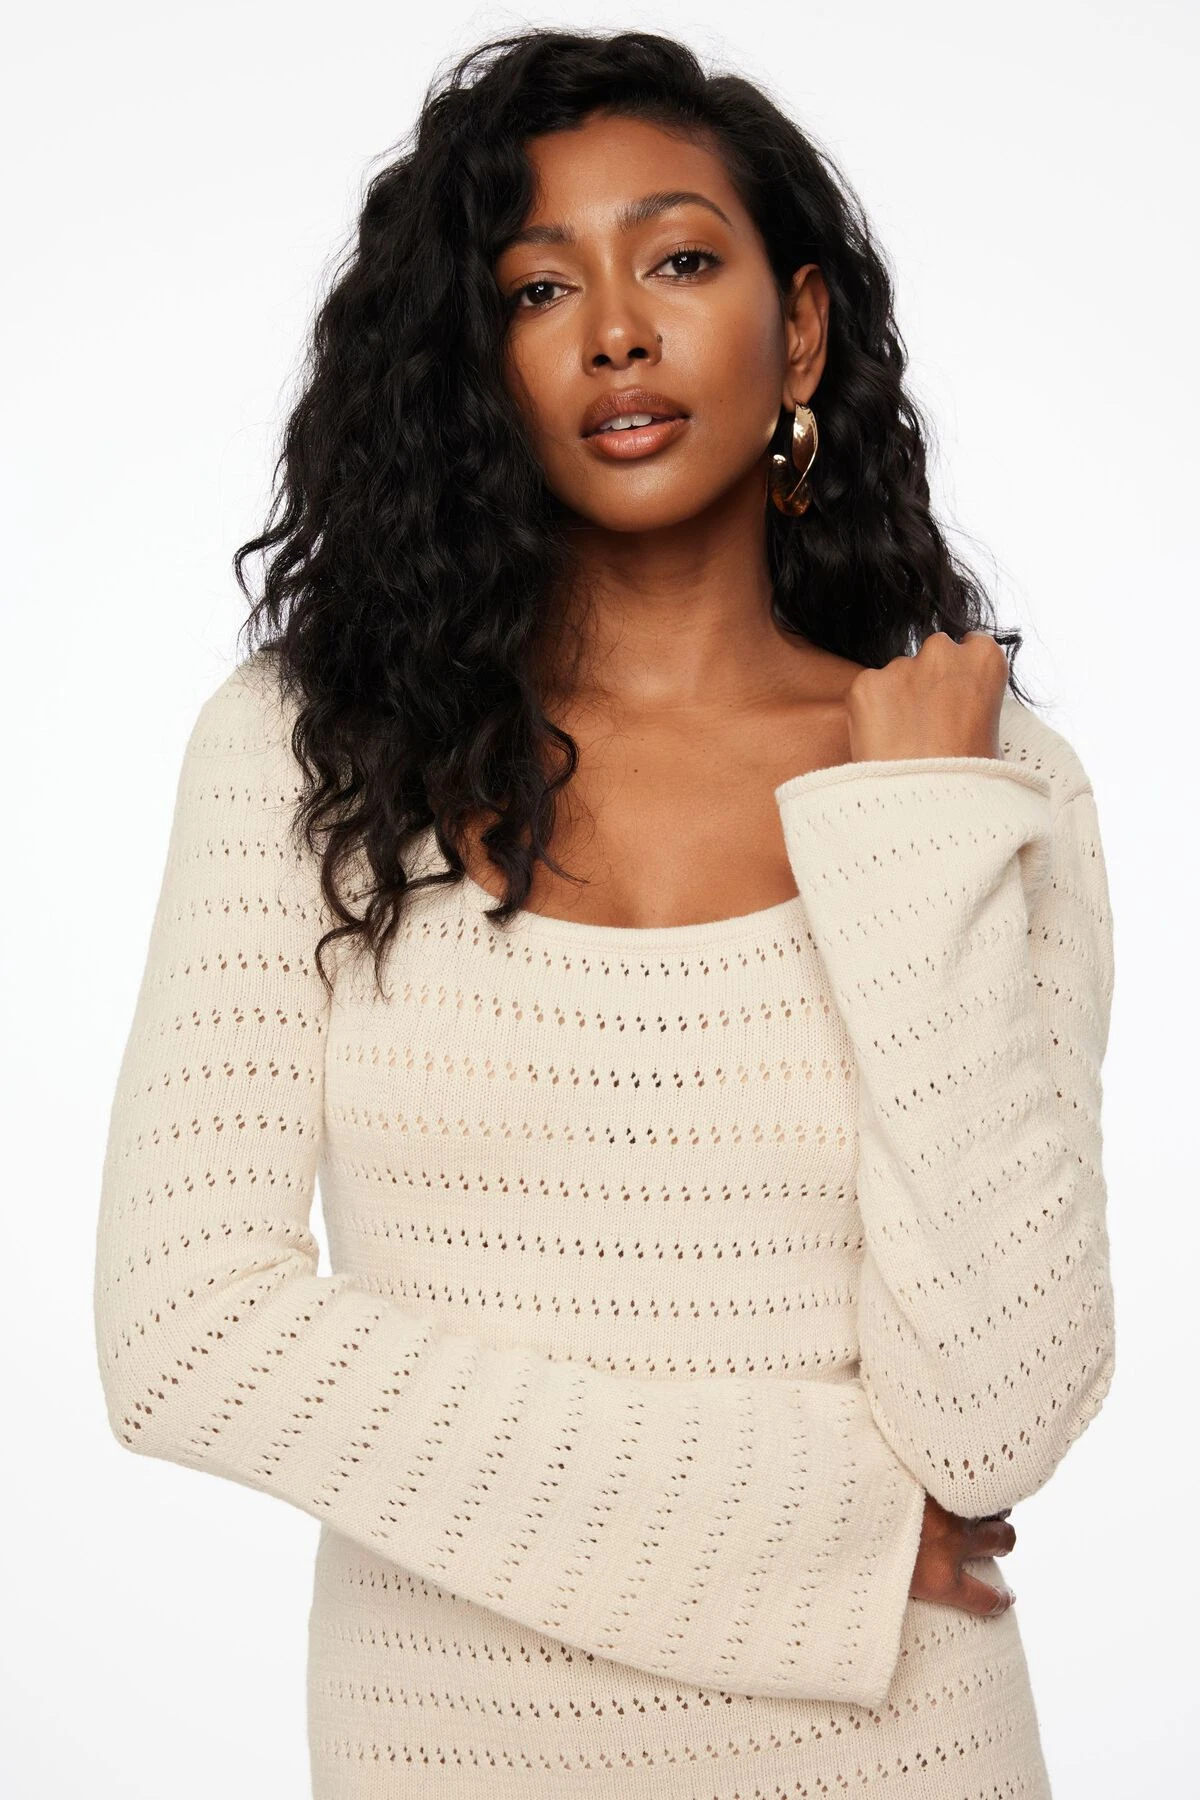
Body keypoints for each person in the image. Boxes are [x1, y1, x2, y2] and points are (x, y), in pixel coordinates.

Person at [93, 26, 1116, 1800]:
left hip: (906, 1755)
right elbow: (183, 1331)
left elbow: (995, 1421)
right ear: (473, 361)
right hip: (452, 1750)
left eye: (682, 262)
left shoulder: (976, 775)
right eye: (539, 288)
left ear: (801, 330)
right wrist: (826, 1529)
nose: (618, 332)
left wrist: (919, 828)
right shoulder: (310, 752)